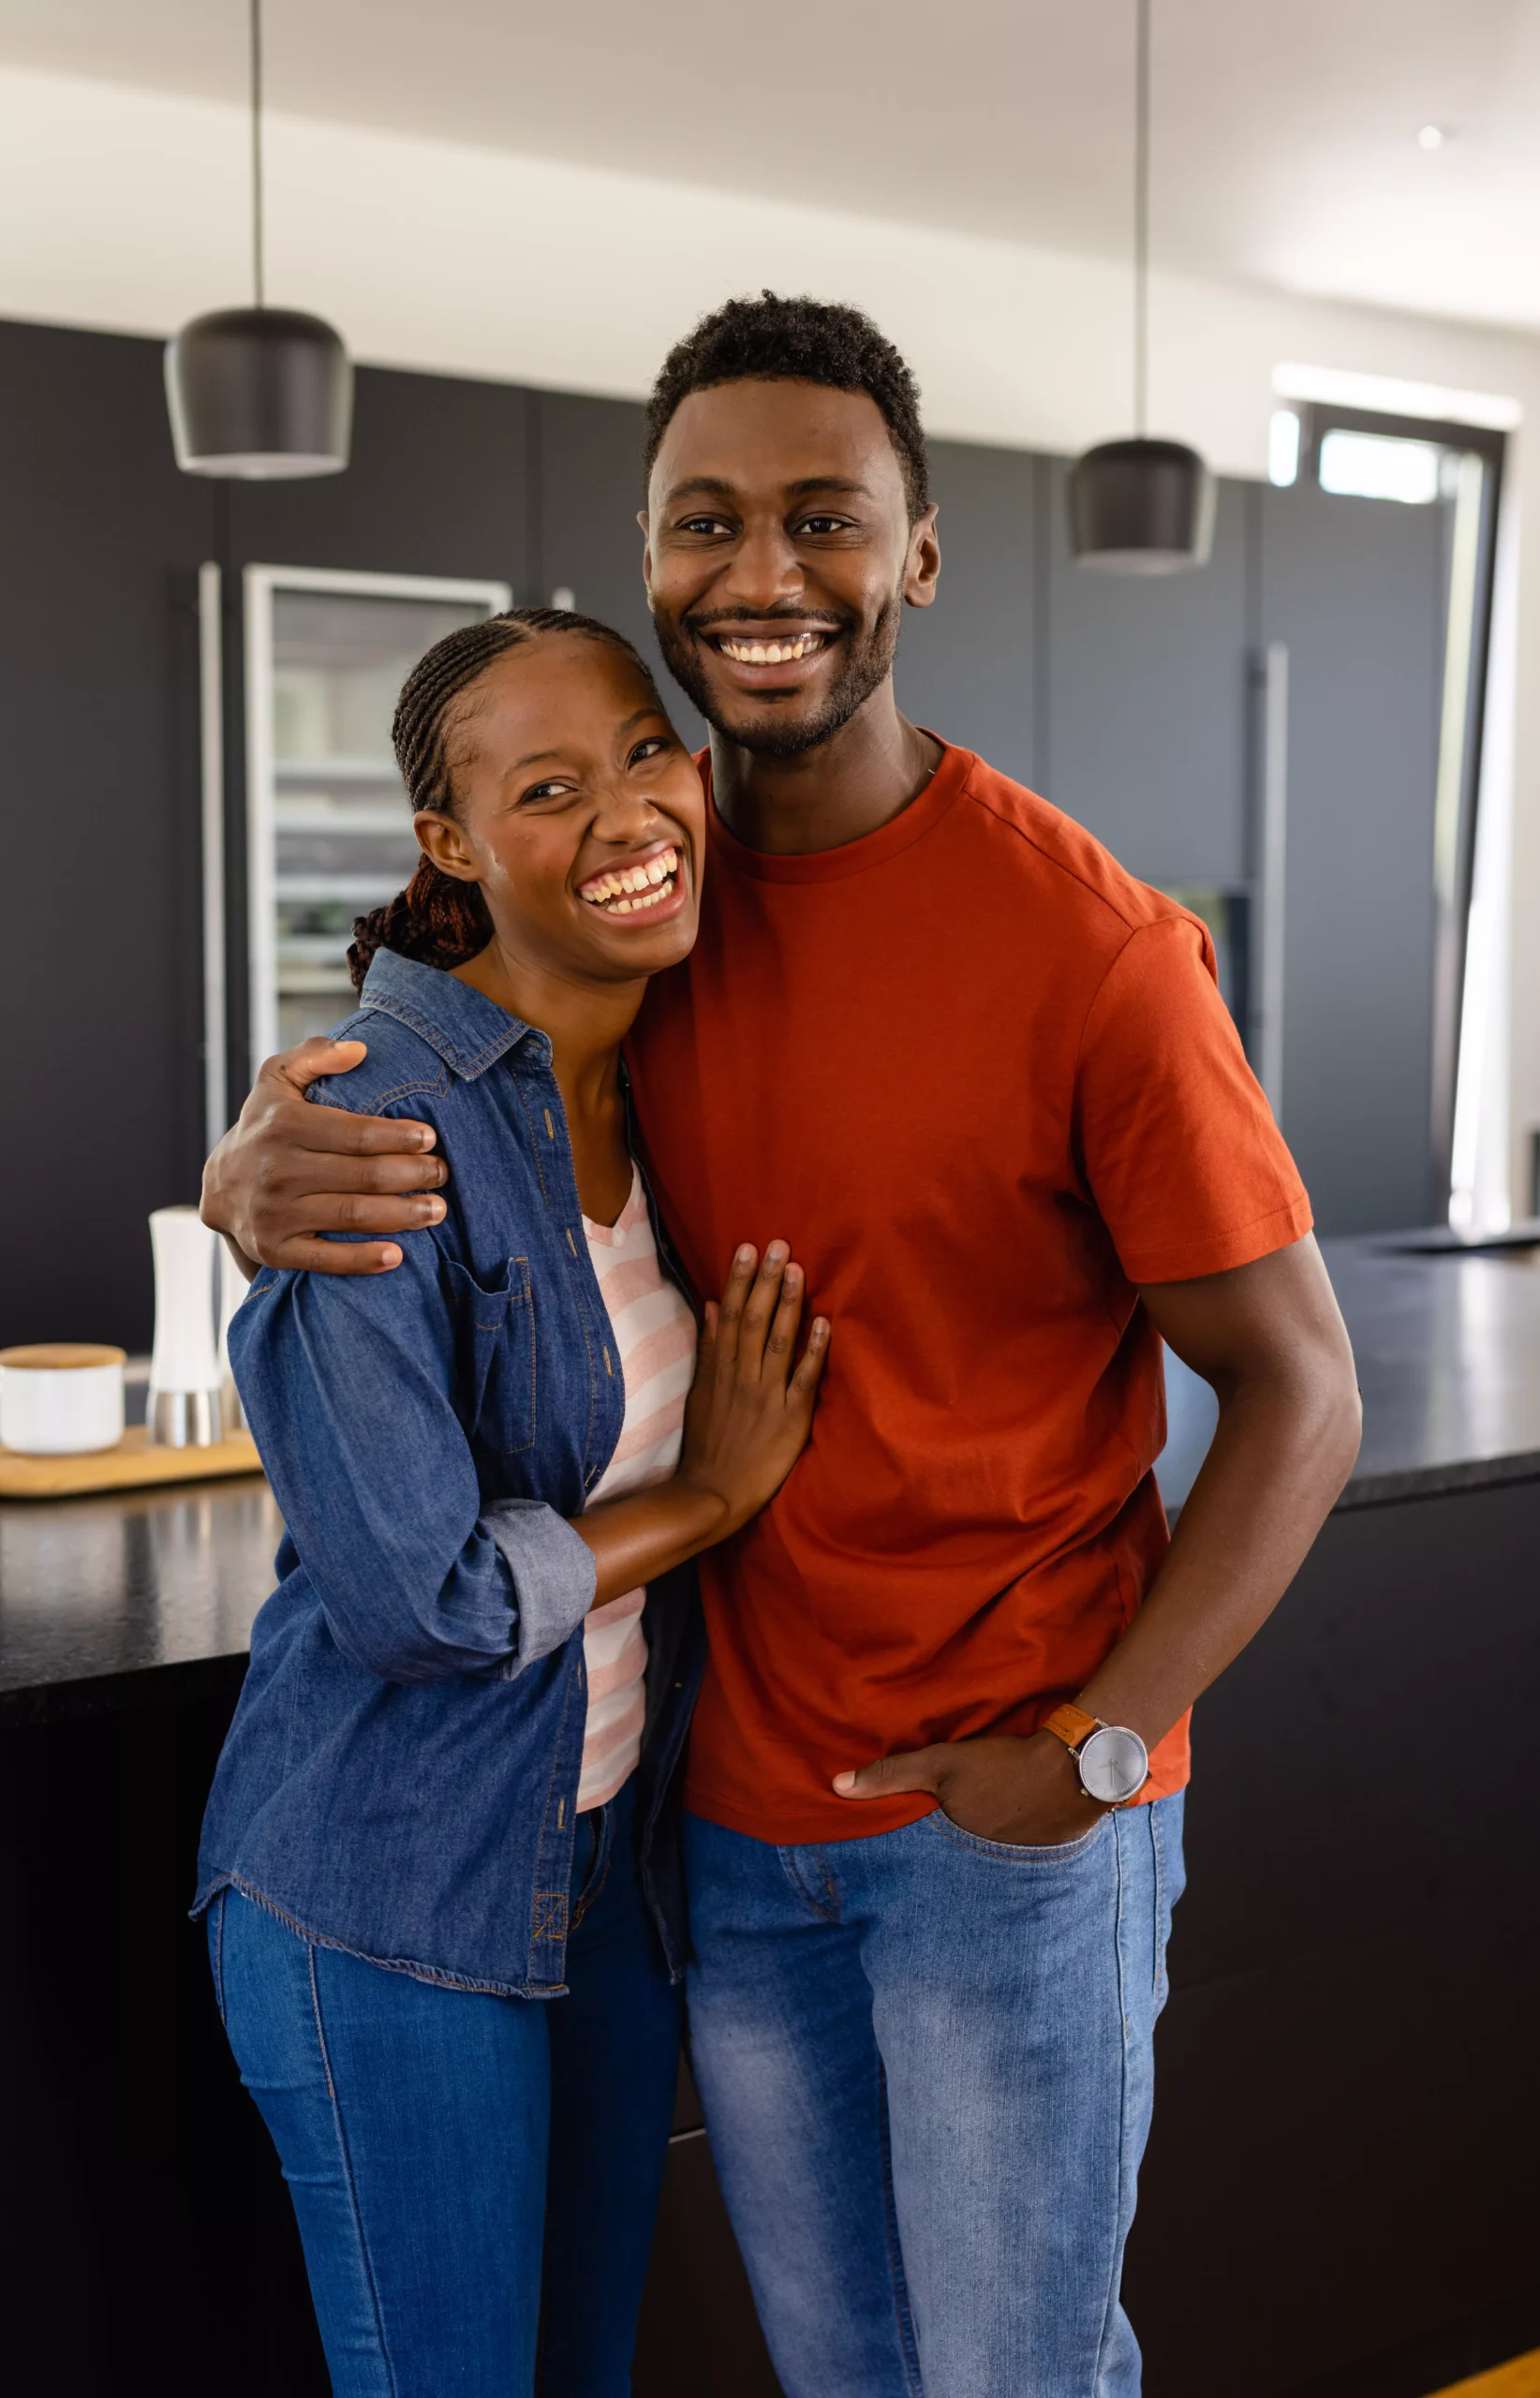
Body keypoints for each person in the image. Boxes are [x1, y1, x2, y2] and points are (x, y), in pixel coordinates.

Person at [201, 298, 1363, 2398]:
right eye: (704, 521)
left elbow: (1302, 1388)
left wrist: (1095, 1751)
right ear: (651, 558)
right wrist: (255, 1143)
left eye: (822, 518)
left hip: (1005, 1820)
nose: (760, 575)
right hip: (723, 1834)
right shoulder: (665, 896)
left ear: (914, 554)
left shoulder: (1086, 949)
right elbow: (439, 995)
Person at [193, 605, 828, 2398]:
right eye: (548, 787)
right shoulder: (369, 1127)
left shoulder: (669, 1058)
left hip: (606, 1868)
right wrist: (713, 1496)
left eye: (644, 751)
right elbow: (427, 1603)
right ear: (451, 849)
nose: (628, 813)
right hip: (388, 1890)